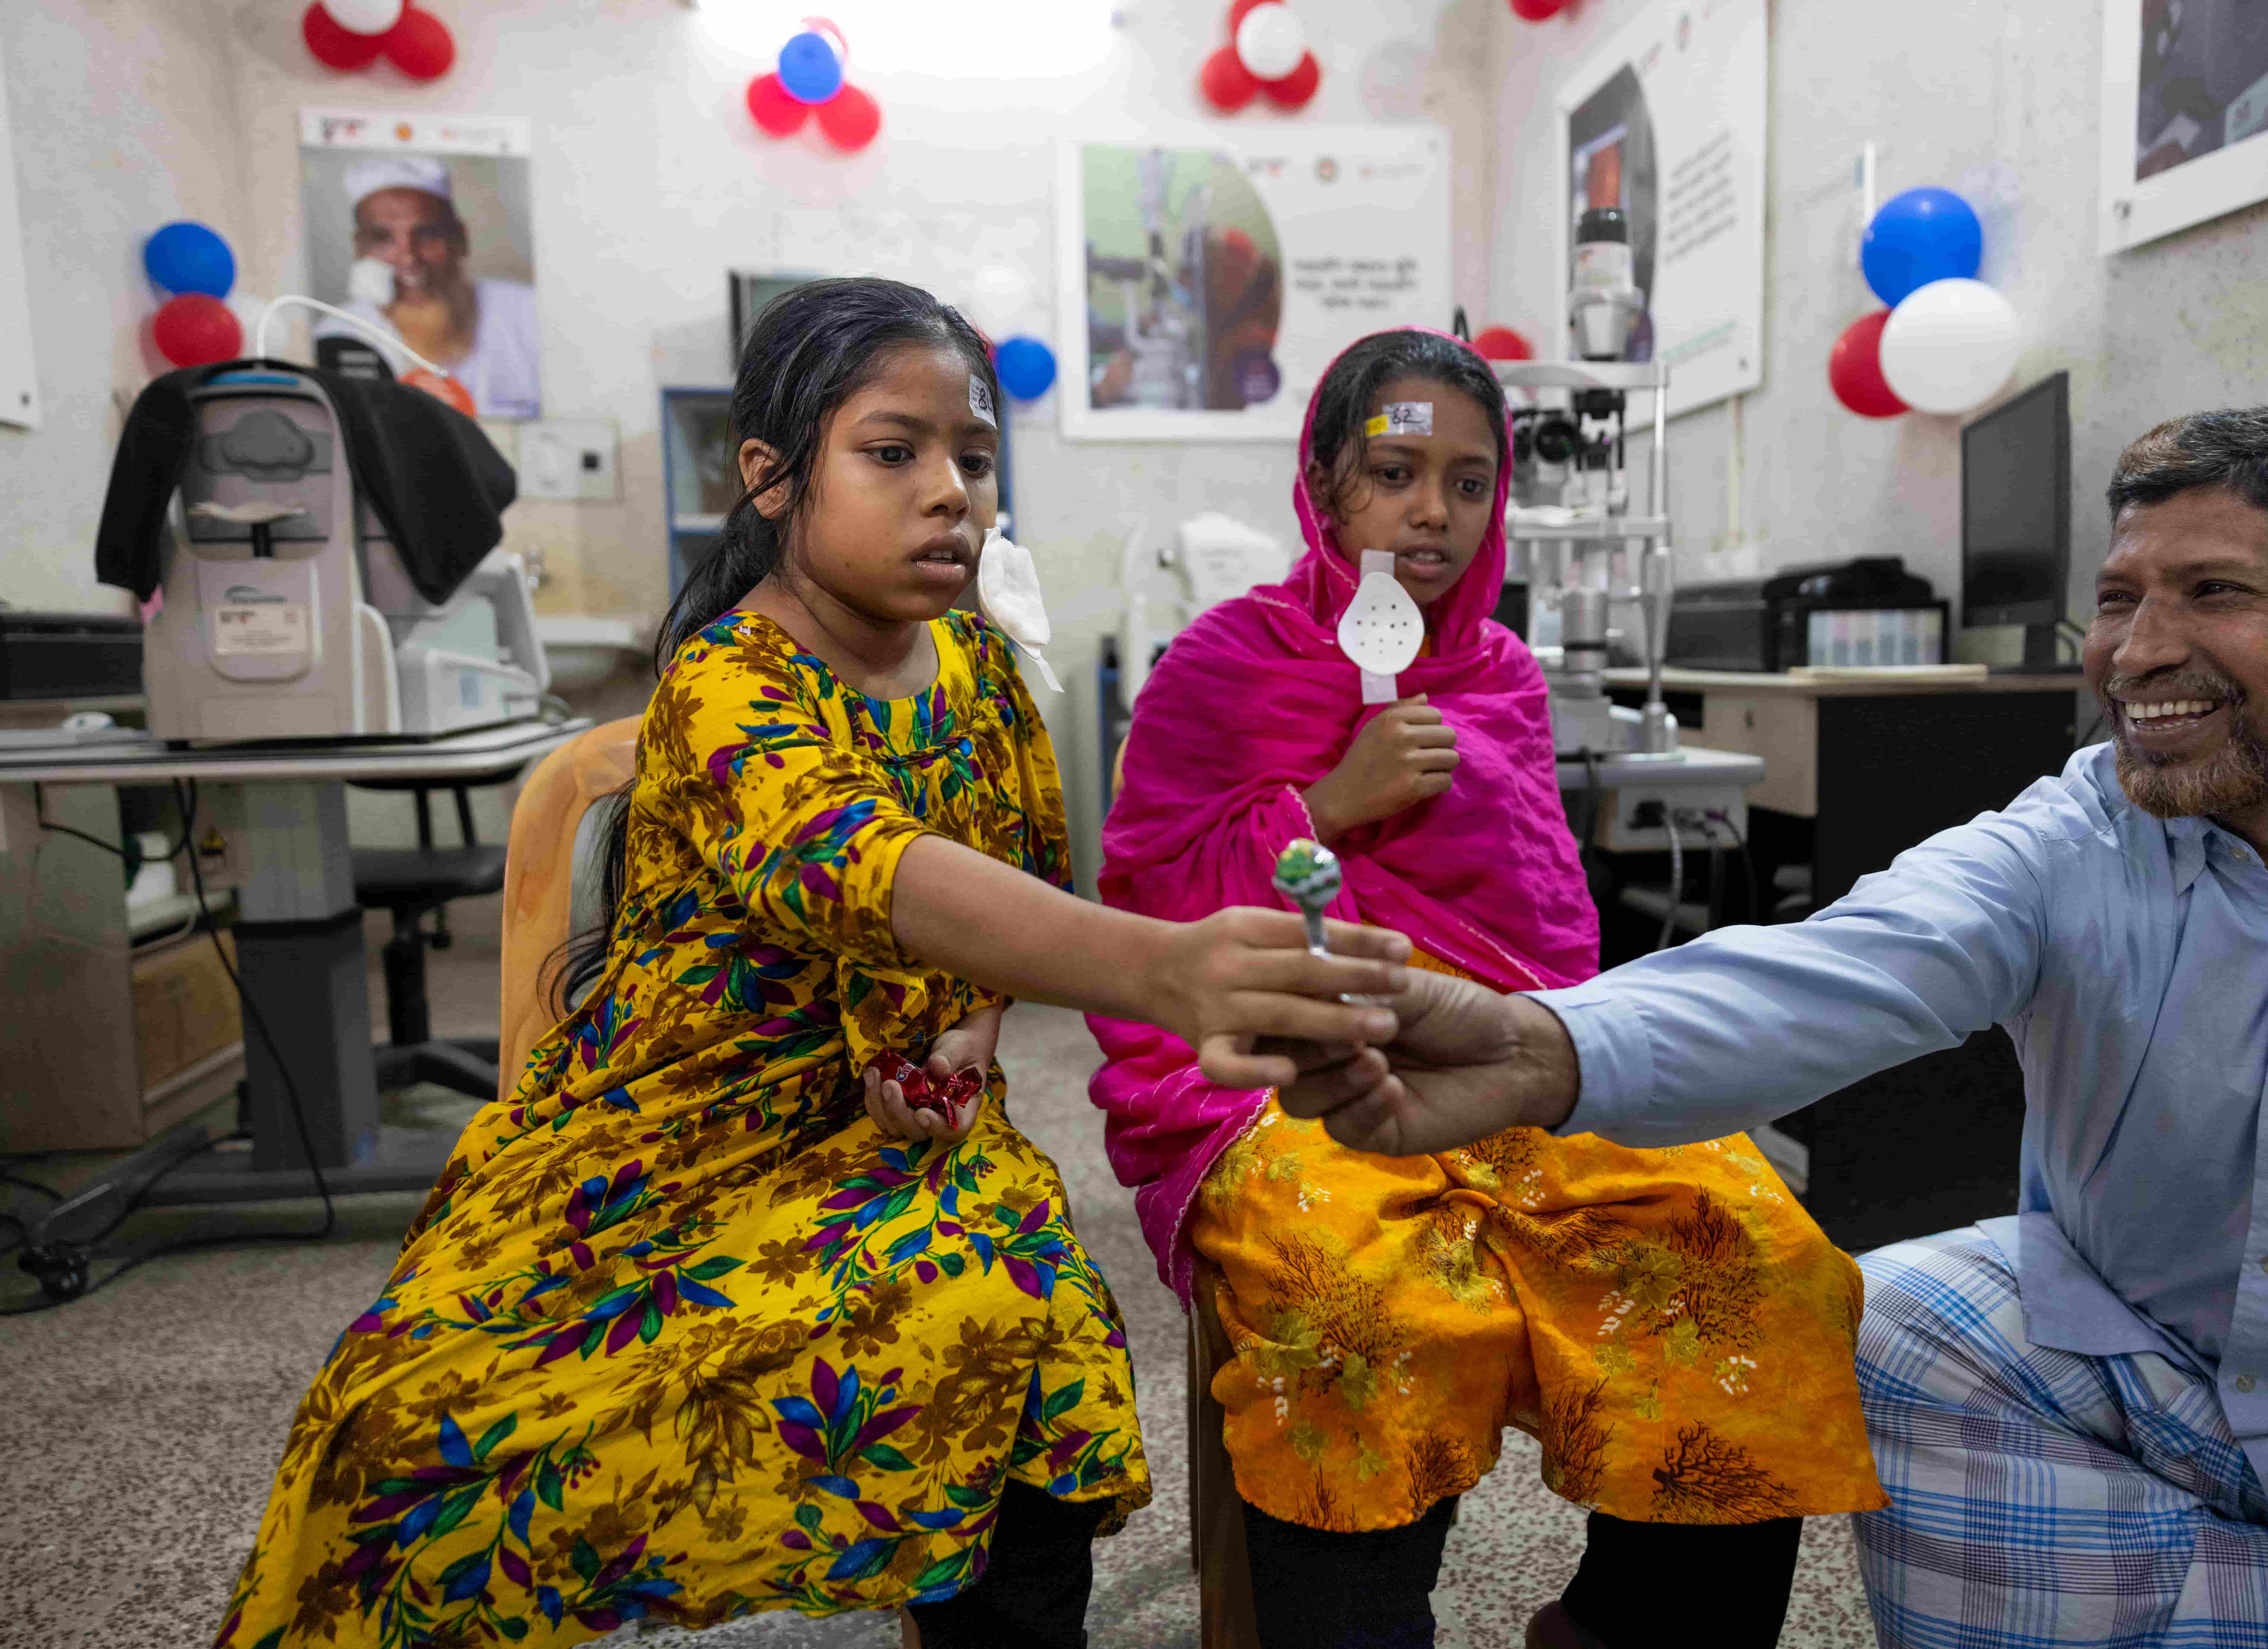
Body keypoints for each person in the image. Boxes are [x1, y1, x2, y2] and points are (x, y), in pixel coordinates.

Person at [214, 278, 1408, 1649]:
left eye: (971, 457)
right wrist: (1165, 969)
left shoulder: (981, 673)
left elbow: (1001, 891)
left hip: (899, 1143)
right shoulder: (728, 682)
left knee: (1021, 1316)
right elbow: (852, 855)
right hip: (660, 1151)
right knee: (405, 1437)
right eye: (893, 453)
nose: (950, 492)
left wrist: (964, 1040)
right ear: (771, 479)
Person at [1276, 407, 2268, 1647]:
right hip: (2143, 1356)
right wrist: (1535, 1046)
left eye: (2212, 591)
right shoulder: (2081, 830)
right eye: (2116, 600)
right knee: (1893, 1321)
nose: (2135, 653)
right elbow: (1837, 967)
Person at [1088, 327, 1885, 1649]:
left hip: (1513, 1053)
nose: (1433, 513)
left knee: (1755, 1247)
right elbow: (1150, 905)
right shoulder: (1221, 667)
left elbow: (1551, 937)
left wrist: (1529, 1037)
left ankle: (1630, 1624)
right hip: (1297, 1064)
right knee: (1363, 1303)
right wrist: (1325, 807)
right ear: (1326, 483)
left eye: (1469, 482)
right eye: (1394, 471)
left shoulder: (1501, 678)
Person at [321, 155, 541, 418]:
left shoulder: (531, 314)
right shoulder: (337, 333)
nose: (409, 258)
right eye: (383, 239)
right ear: (360, 248)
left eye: (427, 235)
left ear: (461, 239)